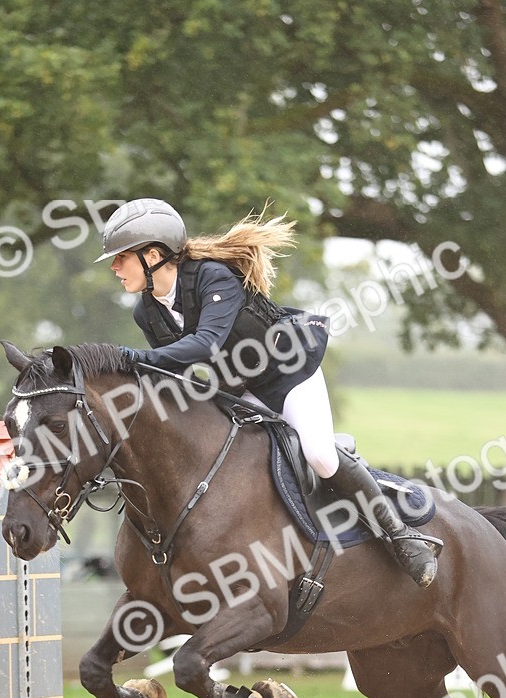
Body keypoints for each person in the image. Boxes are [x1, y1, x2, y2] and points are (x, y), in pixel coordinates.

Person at [95, 198, 440, 587]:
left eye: (120, 257)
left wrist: (130, 356)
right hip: (240, 389)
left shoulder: (212, 277)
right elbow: (171, 369)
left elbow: (205, 345)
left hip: (289, 372)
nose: (113, 267)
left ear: (152, 255)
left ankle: (401, 536)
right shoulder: (146, 312)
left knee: (320, 455)